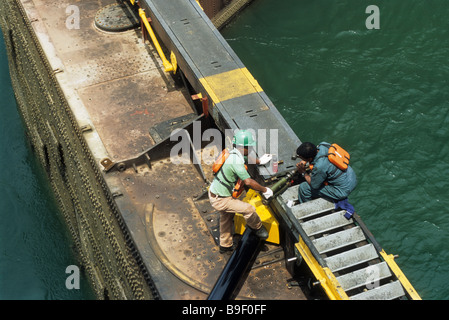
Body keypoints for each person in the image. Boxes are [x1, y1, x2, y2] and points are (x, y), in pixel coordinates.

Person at [209, 130, 273, 254]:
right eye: (249, 146)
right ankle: (258, 228)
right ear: (244, 147)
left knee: (226, 217)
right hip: (220, 199)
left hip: (216, 192)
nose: (250, 148)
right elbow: (248, 182)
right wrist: (265, 190)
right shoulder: (236, 162)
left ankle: (225, 245)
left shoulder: (233, 153)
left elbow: (247, 158)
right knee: (248, 209)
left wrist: (260, 161)